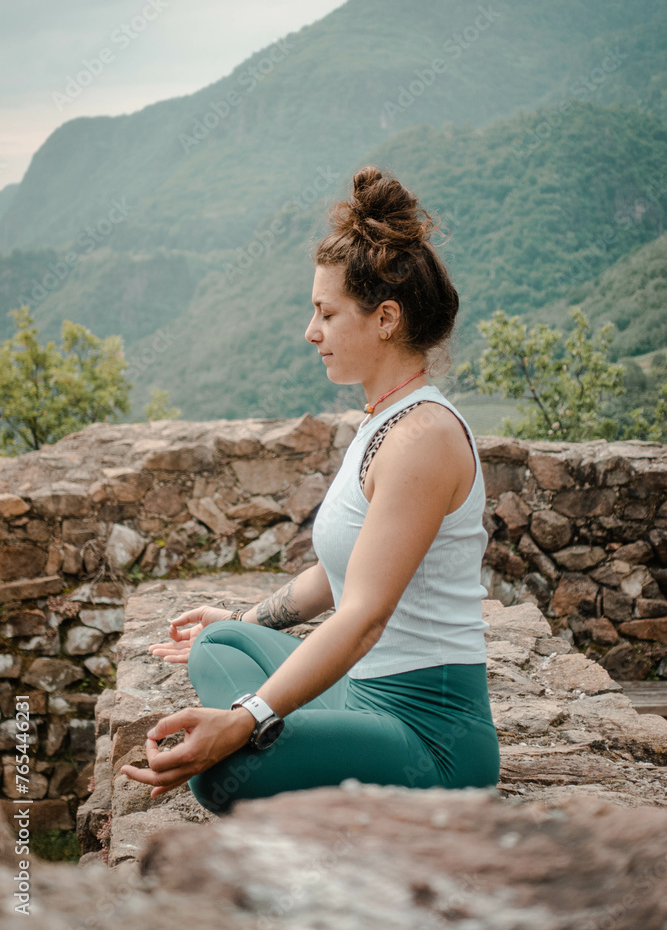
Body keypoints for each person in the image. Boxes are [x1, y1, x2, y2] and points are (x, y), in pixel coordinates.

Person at [120, 164, 501, 811]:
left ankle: (284, 741)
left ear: (384, 318)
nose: (310, 331)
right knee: (221, 643)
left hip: (430, 735)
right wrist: (244, 618)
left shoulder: (422, 439)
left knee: (220, 776)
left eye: (326, 313)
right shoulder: (384, 420)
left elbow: (362, 615)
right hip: (364, 693)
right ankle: (293, 727)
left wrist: (244, 719)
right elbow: (339, 575)